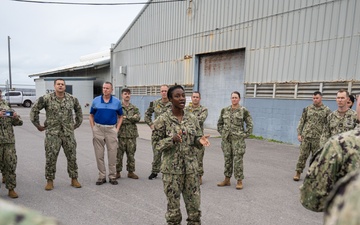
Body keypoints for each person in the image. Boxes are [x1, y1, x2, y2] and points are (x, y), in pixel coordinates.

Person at [152, 85, 210, 225]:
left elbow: (195, 138)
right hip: (171, 172)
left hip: (191, 170)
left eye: (183, 95)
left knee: (194, 210)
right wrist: (171, 140)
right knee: (173, 212)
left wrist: (199, 141)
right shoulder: (162, 119)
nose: (182, 98)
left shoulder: (192, 118)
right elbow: (156, 144)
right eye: (177, 96)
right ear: (171, 99)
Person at [300, 94, 360, 212]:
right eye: (338, 97)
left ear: (349, 100)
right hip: (333, 155)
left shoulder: (353, 117)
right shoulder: (331, 116)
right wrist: (324, 148)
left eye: (342, 98)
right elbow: (325, 133)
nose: (340, 100)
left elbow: (310, 201)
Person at [30, 79, 83, 191]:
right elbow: (34, 110)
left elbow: (79, 111)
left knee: (72, 157)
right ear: (54, 86)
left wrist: (76, 124)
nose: (60, 86)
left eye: (62, 84)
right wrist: (37, 125)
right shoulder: (46, 98)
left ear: (65, 86)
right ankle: (50, 180)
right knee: (51, 157)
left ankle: (74, 178)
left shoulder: (72, 99)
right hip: (52, 134)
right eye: (58, 84)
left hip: (68, 134)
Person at [217, 91, 253, 190]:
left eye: (236, 97)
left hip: (238, 140)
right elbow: (219, 123)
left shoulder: (243, 110)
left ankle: (239, 180)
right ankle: (227, 179)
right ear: (230, 99)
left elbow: (250, 124)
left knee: (238, 160)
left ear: (239, 99)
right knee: (227, 159)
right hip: (227, 140)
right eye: (232, 97)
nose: (234, 99)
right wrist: (223, 133)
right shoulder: (225, 110)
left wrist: (244, 135)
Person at [89, 82, 123, 185]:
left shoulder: (116, 102)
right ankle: (101, 176)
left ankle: (112, 176)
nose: (105, 90)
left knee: (112, 154)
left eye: (107, 88)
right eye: (103, 88)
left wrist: (116, 129)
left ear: (111, 90)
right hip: (98, 129)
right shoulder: (96, 101)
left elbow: (120, 116)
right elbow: (91, 115)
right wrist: (93, 128)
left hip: (111, 129)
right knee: (99, 154)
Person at [293, 91, 331, 181]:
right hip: (306, 137)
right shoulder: (307, 109)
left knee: (316, 158)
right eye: (313, 98)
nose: (315, 100)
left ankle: (313, 175)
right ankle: (298, 173)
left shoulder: (326, 110)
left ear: (321, 98)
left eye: (317, 98)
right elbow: (302, 121)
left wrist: (326, 137)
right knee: (302, 156)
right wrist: (299, 133)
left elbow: (328, 124)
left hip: (318, 138)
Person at [145, 85, 172, 180]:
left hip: (169, 133)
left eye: (166, 91)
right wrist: (151, 125)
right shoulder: (155, 103)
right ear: (160, 92)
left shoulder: (173, 104)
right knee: (156, 153)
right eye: (162, 91)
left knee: (168, 154)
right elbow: (147, 115)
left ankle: (167, 171)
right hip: (157, 133)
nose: (164, 92)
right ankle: (154, 171)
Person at [0, 90, 23, 198]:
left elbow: (19, 123)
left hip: (8, 141)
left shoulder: (6, 105)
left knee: (11, 164)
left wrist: (15, 117)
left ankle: (11, 189)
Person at [116, 88, 140, 180]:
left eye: (129, 94)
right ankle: (117, 172)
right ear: (122, 95)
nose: (127, 95)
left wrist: (124, 118)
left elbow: (137, 118)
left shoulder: (134, 108)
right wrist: (130, 118)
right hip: (120, 135)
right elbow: (117, 119)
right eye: (125, 94)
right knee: (118, 155)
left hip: (131, 135)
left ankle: (131, 172)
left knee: (131, 155)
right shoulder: (118, 107)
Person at [185, 91, 208, 185]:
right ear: (191, 98)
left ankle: (199, 176)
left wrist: (189, 119)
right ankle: (189, 176)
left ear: (199, 98)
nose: (195, 98)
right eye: (194, 97)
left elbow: (200, 120)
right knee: (187, 157)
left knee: (199, 157)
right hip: (188, 137)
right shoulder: (186, 109)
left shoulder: (203, 109)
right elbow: (183, 119)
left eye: (197, 97)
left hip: (199, 137)